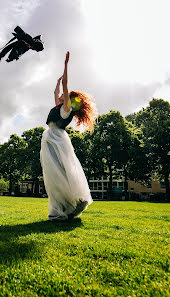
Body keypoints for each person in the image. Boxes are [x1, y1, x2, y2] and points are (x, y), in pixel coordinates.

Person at [40, 51, 97, 221]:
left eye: (62, 95)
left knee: (59, 172)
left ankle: (68, 205)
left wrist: (65, 65)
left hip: (57, 138)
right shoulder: (58, 108)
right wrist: (57, 83)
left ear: (67, 99)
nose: (59, 95)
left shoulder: (66, 109)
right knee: (52, 174)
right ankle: (63, 206)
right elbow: (55, 92)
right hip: (50, 137)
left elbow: (65, 85)